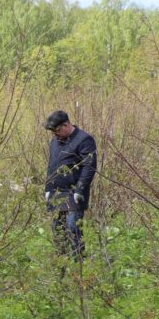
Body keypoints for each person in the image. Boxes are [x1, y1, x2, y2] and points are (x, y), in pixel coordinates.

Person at [43, 110, 98, 260]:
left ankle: (77, 263)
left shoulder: (84, 140)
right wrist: (48, 189)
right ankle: (62, 264)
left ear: (66, 125)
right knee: (58, 230)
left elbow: (89, 166)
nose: (55, 134)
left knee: (73, 228)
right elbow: (51, 166)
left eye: (57, 130)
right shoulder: (55, 142)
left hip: (74, 193)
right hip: (56, 193)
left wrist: (80, 189)